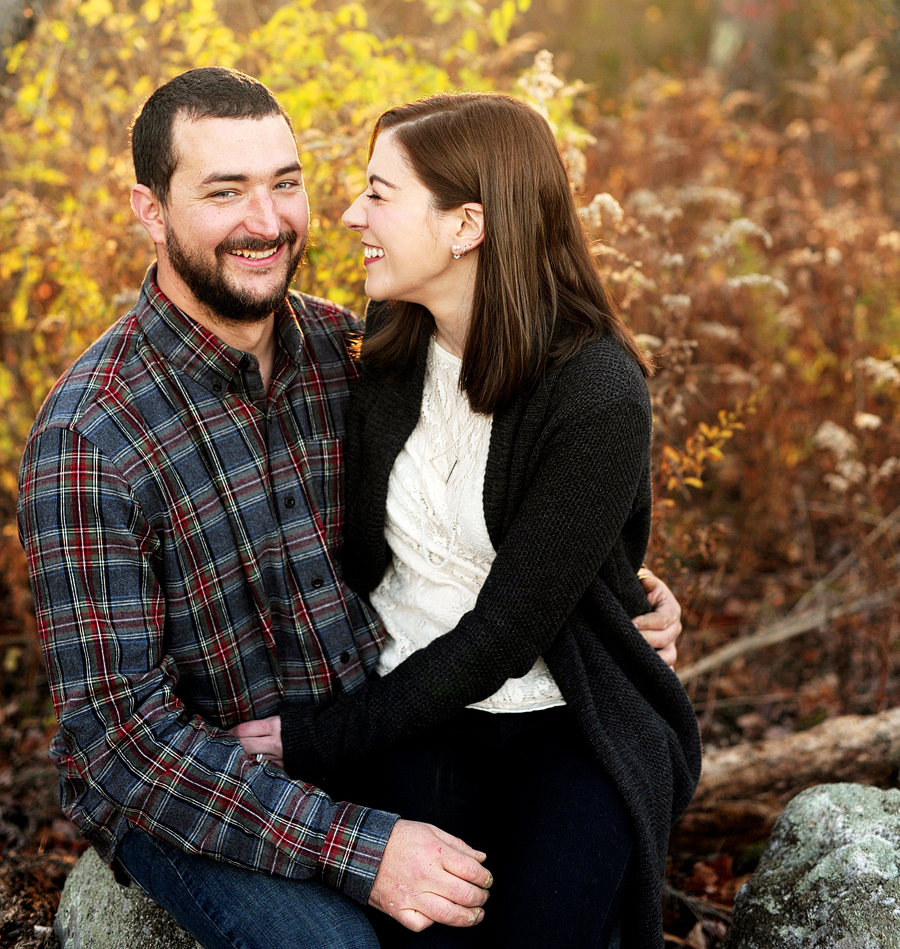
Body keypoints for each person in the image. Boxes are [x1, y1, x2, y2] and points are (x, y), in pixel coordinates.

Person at [17, 68, 685, 949]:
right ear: (150, 209)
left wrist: (616, 594)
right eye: (225, 192)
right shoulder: (89, 440)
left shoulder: (352, 351)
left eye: (285, 184)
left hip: (384, 737)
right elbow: (122, 742)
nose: (268, 220)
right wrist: (361, 848)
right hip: (206, 784)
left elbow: (493, 518)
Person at [233, 93, 702, 949]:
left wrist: (318, 739)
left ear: (466, 224)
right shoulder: (392, 339)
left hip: (567, 720)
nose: (351, 214)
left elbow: (505, 632)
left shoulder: (598, 393)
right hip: (413, 714)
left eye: (380, 193)